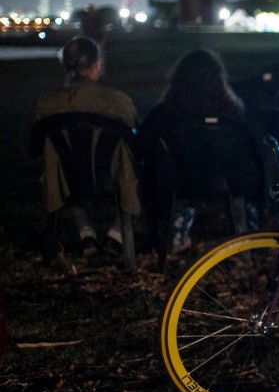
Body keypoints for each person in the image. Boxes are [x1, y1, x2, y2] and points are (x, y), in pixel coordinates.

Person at [33, 36, 139, 254]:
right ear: (95, 65)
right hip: (112, 179)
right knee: (132, 165)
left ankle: (85, 232)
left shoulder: (45, 104)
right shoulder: (118, 102)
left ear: (66, 66)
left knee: (61, 164)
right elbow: (135, 138)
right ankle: (116, 234)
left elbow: (33, 147)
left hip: (66, 182)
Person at [140, 49, 250, 253]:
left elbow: (143, 146)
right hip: (224, 181)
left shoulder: (166, 113)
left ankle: (173, 226)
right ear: (219, 78)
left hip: (176, 181)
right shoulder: (232, 112)